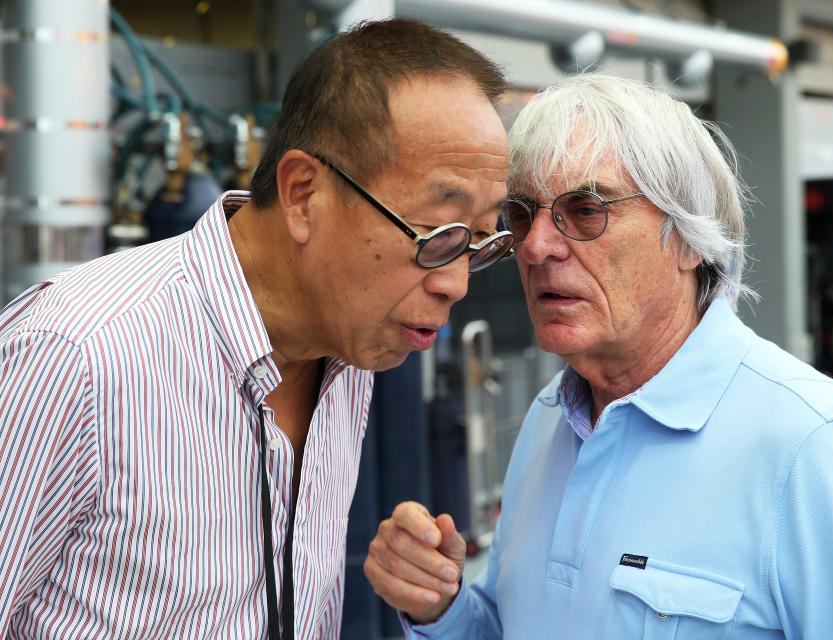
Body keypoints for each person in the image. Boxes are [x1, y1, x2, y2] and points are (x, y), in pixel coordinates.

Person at [364, 73, 833, 639]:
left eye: (586, 210)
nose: (536, 246)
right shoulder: (550, 419)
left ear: (688, 238)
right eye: (522, 213)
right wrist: (442, 607)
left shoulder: (813, 451)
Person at [0, 18, 512, 639]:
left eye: (482, 244)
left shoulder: (349, 353)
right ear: (302, 194)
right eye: (436, 237)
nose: (456, 282)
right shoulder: (72, 357)